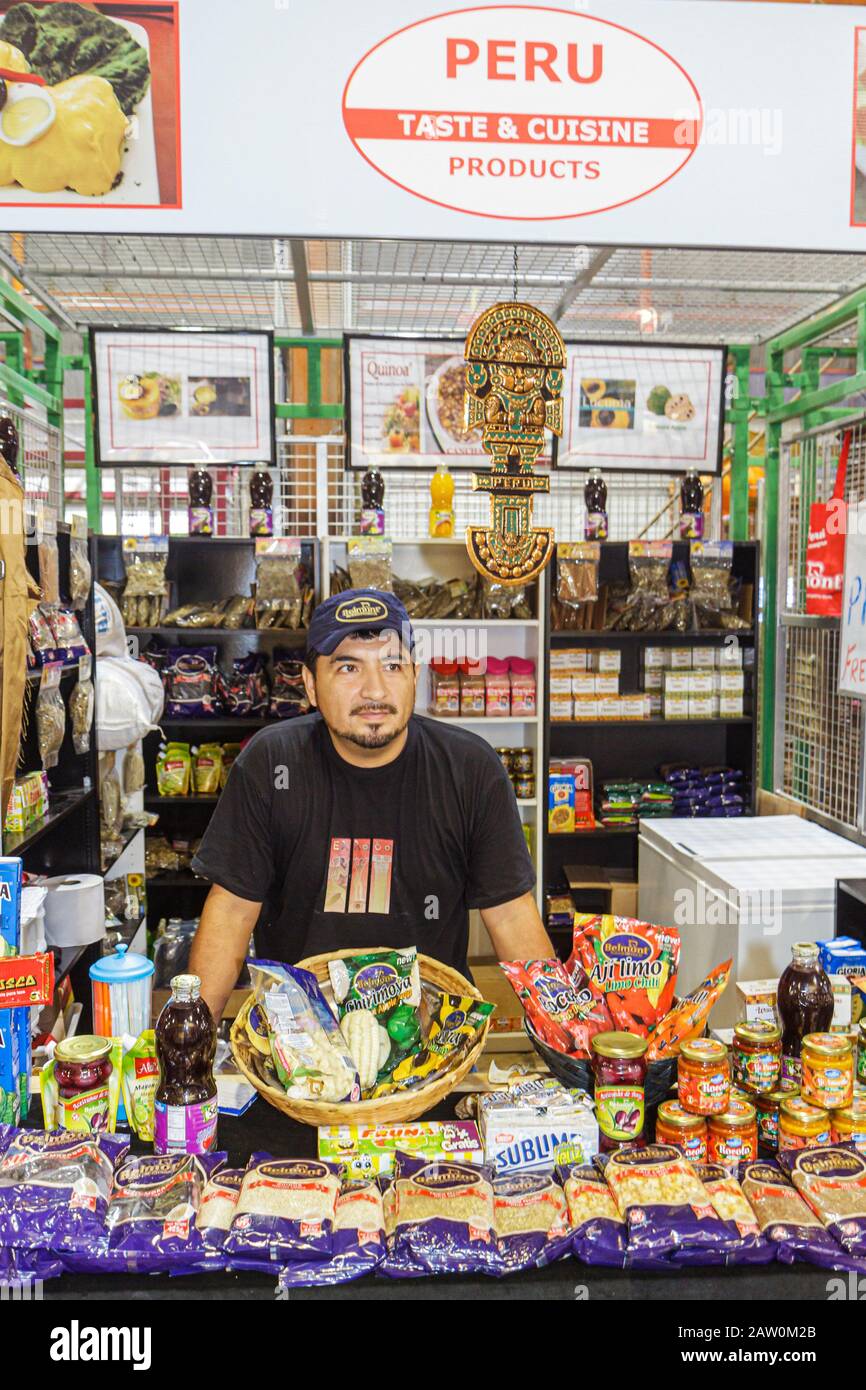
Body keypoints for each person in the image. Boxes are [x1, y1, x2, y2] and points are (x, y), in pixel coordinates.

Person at [189, 588, 555, 1019]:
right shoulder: (270, 763)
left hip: (432, 1036)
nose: (375, 689)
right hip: (301, 1041)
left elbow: (511, 915)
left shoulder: (471, 768)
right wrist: (192, 1053)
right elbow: (231, 912)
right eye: (348, 666)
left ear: (415, 676)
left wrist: (562, 1038)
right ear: (310, 685)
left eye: (393, 664)